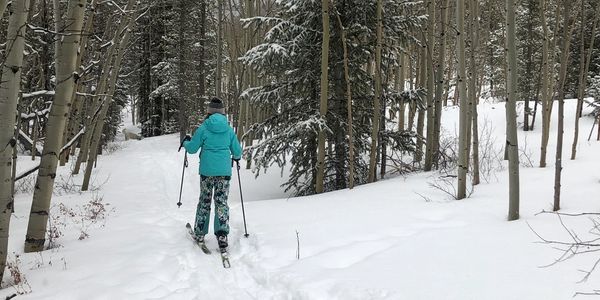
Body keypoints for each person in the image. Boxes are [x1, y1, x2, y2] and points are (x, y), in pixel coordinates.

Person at [182, 97, 242, 253]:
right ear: (222, 112)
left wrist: (185, 143)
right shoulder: (228, 130)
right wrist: (235, 157)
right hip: (223, 173)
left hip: (207, 172)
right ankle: (222, 235)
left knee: (205, 201)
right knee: (221, 202)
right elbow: (237, 151)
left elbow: (193, 149)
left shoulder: (204, 128)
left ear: (209, 111)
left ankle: (200, 233)